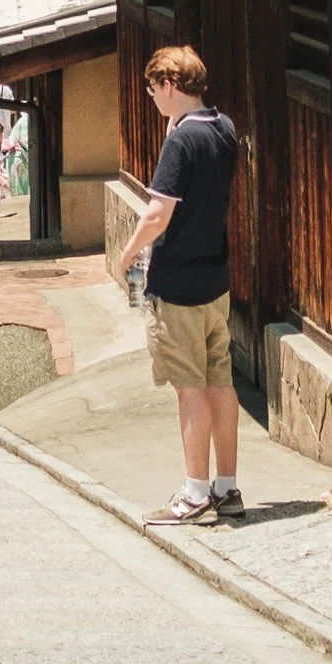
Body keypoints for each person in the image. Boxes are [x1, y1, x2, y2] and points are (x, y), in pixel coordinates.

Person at [109, 44, 244, 528]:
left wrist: (127, 254)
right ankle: (227, 488)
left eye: (152, 90)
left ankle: (193, 491)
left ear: (168, 85)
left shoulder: (180, 144)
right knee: (220, 383)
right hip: (215, 276)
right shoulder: (223, 128)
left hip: (178, 279)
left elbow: (158, 213)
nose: (151, 98)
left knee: (189, 388)